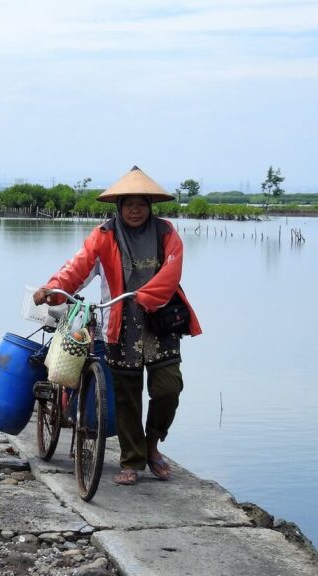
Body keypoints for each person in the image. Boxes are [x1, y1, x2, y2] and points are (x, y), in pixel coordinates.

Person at [33, 166, 202, 486]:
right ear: (118, 206)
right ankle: (132, 461)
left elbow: (172, 270)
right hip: (118, 322)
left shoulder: (166, 233)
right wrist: (51, 289)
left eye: (141, 204)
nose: (135, 210)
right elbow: (76, 270)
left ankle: (153, 445)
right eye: (128, 204)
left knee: (168, 388)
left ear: (150, 206)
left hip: (159, 320)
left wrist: (147, 295)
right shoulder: (104, 235)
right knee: (125, 395)